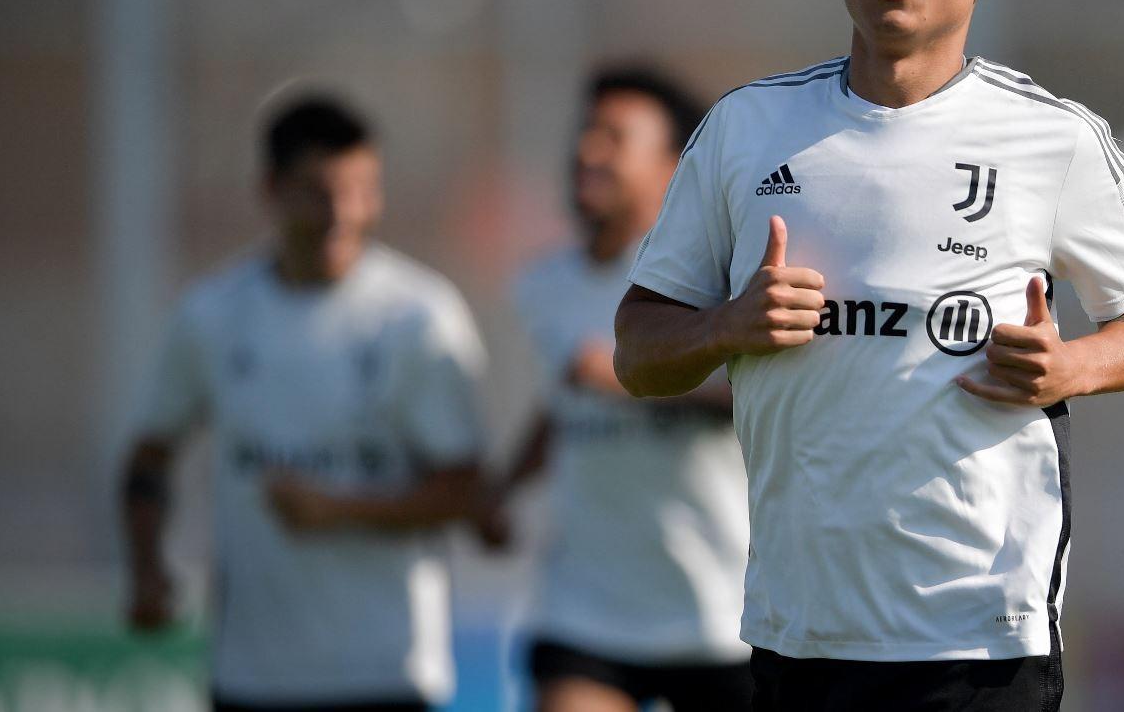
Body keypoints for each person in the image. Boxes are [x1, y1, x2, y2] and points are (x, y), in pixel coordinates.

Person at [613, 0, 1124, 711]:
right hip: (800, 633)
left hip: (980, 634)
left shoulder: (1052, 139)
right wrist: (725, 325)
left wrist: (1070, 367)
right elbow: (638, 354)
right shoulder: (745, 129)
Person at [120, 93, 489, 712]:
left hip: (387, 672)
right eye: (319, 191)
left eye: (362, 190)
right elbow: (148, 456)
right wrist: (146, 570)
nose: (342, 214)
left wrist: (337, 509)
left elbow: (466, 489)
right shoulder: (212, 315)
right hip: (252, 677)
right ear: (270, 189)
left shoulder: (420, 316)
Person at [482, 68, 753, 712]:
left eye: (614, 137)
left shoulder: (718, 280)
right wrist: (500, 490)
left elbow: (755, 402)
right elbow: (561, 406)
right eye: (585, 133)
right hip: (585, 615)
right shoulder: (544, 286)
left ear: (672, 166)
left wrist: (632, 376)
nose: (587, 152)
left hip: (719, 614)